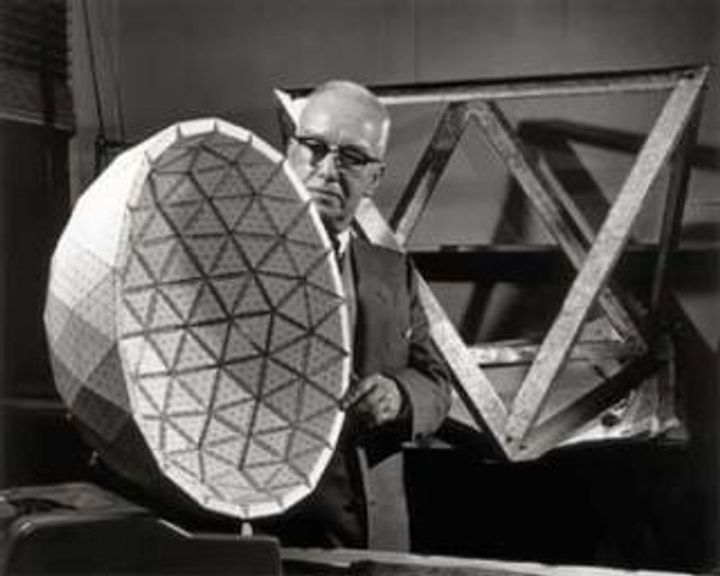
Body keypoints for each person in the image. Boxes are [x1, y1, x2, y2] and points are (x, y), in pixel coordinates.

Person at [259, 80, 451, 551]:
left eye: (351, 157)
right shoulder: (245, 263)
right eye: (314, 147)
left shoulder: (393, 271)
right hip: (274, 537)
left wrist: (400, 396)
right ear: (290, 151)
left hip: (378, 536)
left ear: (375, 178)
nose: (327, 170)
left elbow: (436, 383)